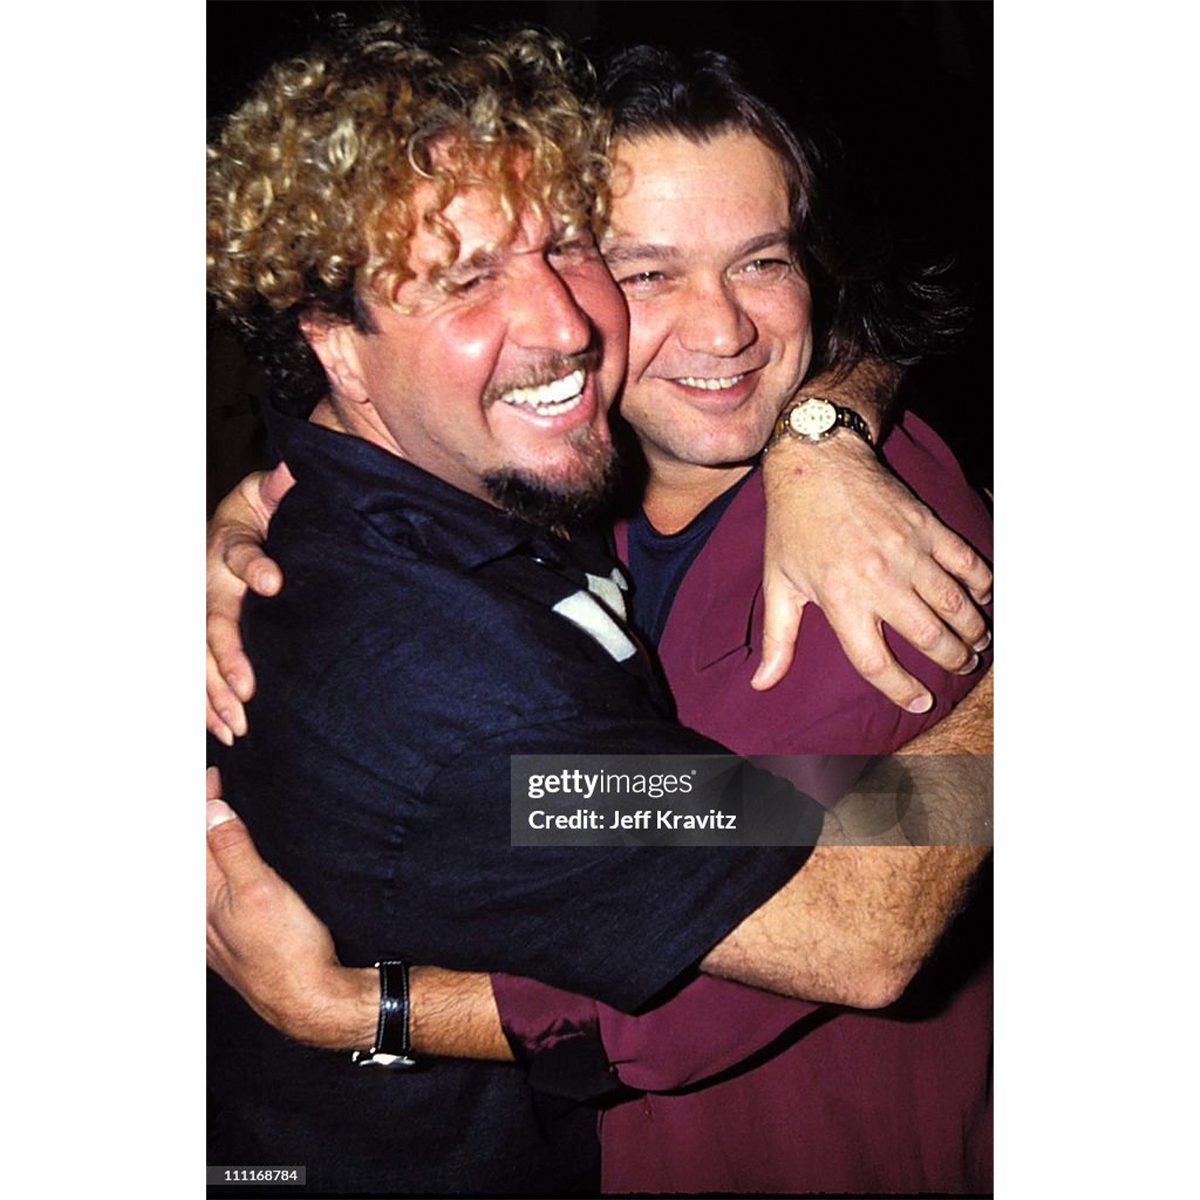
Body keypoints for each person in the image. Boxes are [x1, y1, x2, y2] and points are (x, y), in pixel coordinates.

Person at [206, 19, 992, 1196]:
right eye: (644, 271)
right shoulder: (485, 627)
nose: (567, 322)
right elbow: (828, 903)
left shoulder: (855, 547)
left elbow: (837, 913)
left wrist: (833, 413)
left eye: (763, 260)